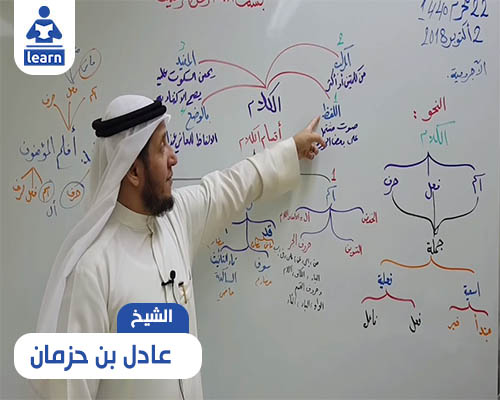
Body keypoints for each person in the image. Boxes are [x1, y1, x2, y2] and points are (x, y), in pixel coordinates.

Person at [34, 94, 326, 399]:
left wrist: (291, 149)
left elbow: (232, 186)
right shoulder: (93, 271)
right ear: (134, 172)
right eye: (162, 147)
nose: (173, 158)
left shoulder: (175, 219)